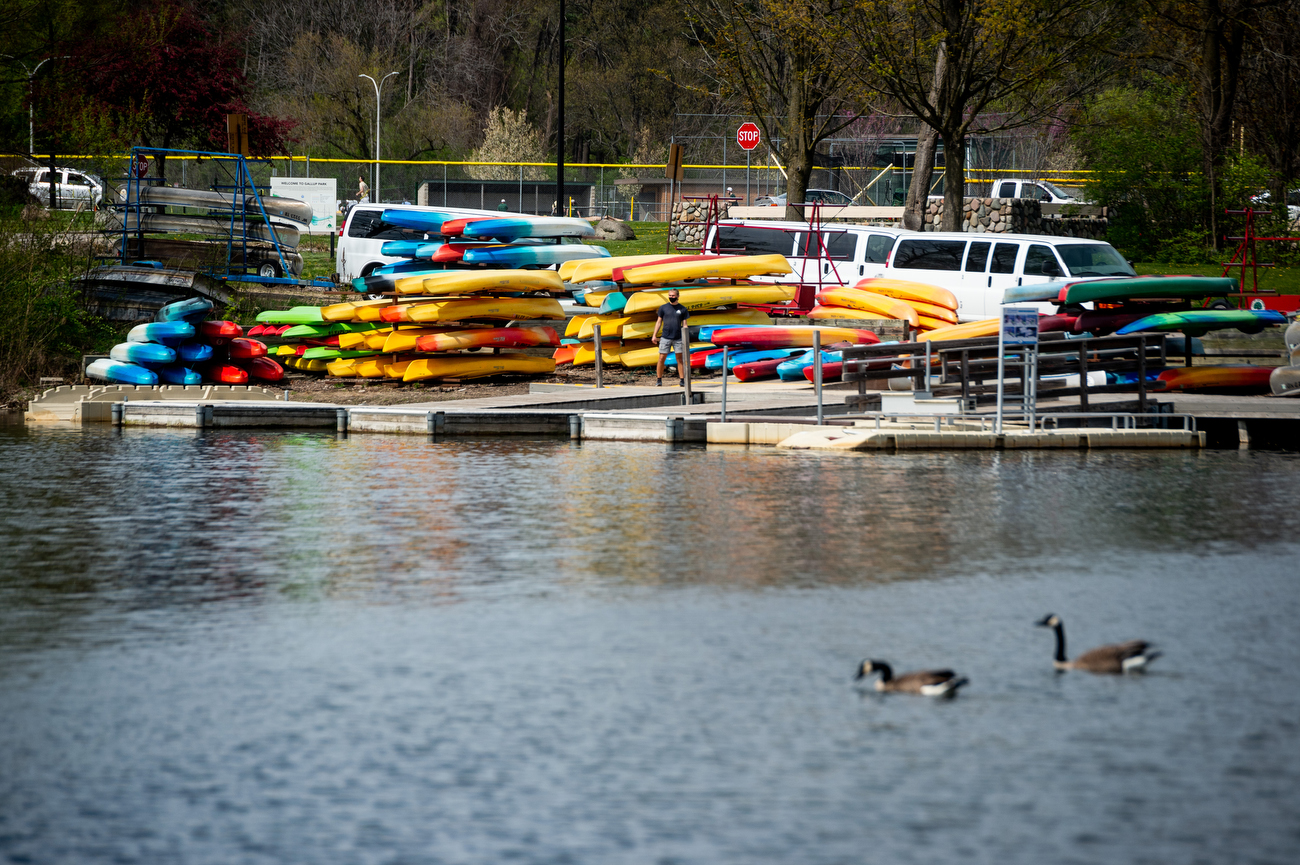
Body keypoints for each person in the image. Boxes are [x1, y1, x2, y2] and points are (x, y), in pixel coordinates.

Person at [651, 289, 690, 387]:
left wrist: (686, 337)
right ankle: (659, 379)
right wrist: (654, 335)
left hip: (678, 337)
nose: (671, 297)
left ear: (678, 296)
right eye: (670, 295)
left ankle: (682, 380)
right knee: (661, 358)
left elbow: (685, 325)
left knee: (680, 359)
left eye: (673, 296)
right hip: (665, 337)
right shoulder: (663, 308)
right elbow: (658, 322)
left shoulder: (683, 309)